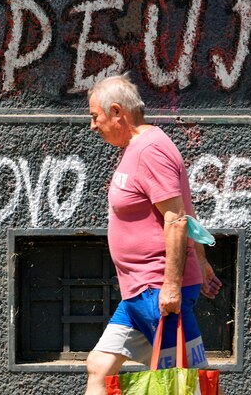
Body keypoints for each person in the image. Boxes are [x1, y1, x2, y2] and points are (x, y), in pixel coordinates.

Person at [84, 73, 223, 395]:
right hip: (138, 291)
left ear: (117, 112)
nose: (93, 126)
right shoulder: (138, 147)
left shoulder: (150, 150)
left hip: (156, 289)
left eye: (95, 116)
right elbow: (184, 209)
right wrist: (201, 261)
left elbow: (176, 217)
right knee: (99, 366)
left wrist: (172, 286)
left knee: (183, 382)